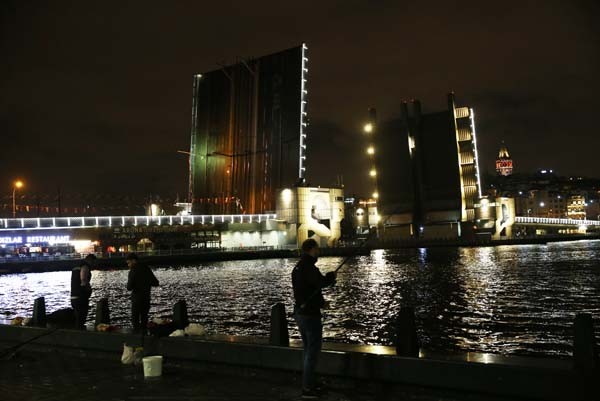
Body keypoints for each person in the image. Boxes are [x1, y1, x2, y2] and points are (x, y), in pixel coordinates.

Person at [292, 239, 336, 399]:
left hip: (299, 313)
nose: (319, 251)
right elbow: (320, 283)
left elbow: (305, 291)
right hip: (310, 315)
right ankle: (308, 388)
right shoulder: (309, 268)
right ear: (311, 249)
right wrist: (330, 278)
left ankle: (310, 382)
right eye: (317, 248)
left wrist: (321, 301)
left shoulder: (297, 268)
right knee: (312, 352)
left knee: (307, 350)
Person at [126, 253, 159, 334]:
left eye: (128, 263)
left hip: (137, 298)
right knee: (144, 317)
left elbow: (129, 287)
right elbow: (156, 283)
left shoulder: (133, 270)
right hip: (146, 297)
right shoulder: (146, 268)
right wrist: (146, 282)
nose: (128, 265)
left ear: (134, 261)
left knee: (135, 319)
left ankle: (137, 337)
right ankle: (144, 336)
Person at [70, 254, 96, 330]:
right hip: (81, 297)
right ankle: (81, 335)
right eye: (94, 262)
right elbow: (83, 279)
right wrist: (89, 289)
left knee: (78, 319)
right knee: (81, 319)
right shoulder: (85, 266)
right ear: (90, 260)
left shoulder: (76, 267)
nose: (94, 264)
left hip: (74, 296)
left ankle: (77, 334)